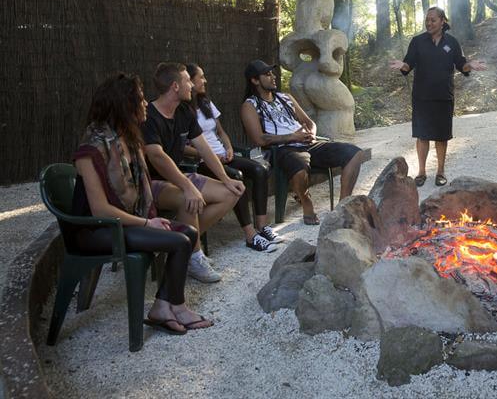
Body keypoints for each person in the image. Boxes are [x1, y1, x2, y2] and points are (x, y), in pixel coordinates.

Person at [71, 73, 212, 334]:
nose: (146, 103)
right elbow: (101, 210)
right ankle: (177, 306)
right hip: (95, 230)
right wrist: (148, 222)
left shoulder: (128, 139)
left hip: (122, 223)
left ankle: (162, 306)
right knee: (179, 241)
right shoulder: (91, 148)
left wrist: (148, 220)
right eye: (140, 99)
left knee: (189, 232)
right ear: (124, 104)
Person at [142, 63, 244, 283]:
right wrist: (188, 187)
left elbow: (203, 148)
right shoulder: (148, 115)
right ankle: (194, 258)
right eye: (188, 80)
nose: (193, 85)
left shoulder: (184, 112)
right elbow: (157, 157)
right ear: (175, 86)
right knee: (186, 199)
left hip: (178, 177)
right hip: (150, 183)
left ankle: (180, 246)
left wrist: (226, 179)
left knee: (231, 193)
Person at [240, 59, 366, 225]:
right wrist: (293, 137)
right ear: (255, 80)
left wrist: (310, 134)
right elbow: (259, 139)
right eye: (267, 74)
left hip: (308, 143)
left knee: (355, 153)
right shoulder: (250, 106)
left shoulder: (286, 98)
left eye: (272, 73)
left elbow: (309, 122)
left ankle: (342, 207)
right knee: (299, 169)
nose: (273, 77)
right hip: (282, 149)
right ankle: (306, 202)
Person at [184, 64, 280, 253]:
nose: (205, 81)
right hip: (202, 162)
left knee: (260, 170)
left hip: (223, 156)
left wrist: (228, 148)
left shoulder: (205, 102)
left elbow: (221, 132)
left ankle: (262, 226)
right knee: (236, 177)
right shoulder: (183, 111)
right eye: (200, 77)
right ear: (190, 81)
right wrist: (210, 155)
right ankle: (250, 235)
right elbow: (182, 147)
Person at [388, 6, 486, 187]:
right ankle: (422, 172)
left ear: (442, 21)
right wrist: (402, 64)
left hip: (443, 96)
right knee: (422, 135)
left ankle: (440, 172)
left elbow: (461, 65)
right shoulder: (417, 42)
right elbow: (408, 65)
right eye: (427, 20)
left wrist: (470, 65)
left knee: (441, 136)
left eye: (433, 20)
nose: (429, 23)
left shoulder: (452, 43)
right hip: (422, 96)